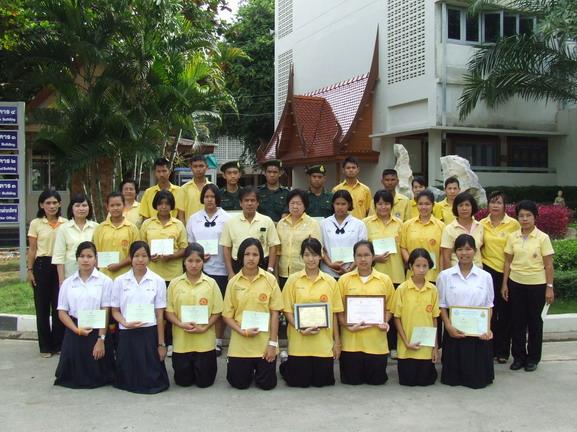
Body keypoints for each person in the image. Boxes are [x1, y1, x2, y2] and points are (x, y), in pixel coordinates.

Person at [280, 238, 343, 387]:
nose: (311, 259)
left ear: (321, 256)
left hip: (323, 344)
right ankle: (285, 363)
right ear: (302, 256)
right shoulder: (293, 280)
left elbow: (334, 313)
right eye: (307, 255)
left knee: (322, 382)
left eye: (314, 255)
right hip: (299, 342)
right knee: (299, 382)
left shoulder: (330, 281)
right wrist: (299, 327)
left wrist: (337, 342)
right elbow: (287, 310)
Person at [222, 238, 283, 390]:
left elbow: (275, 314)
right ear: (240, 256)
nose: (251, 258)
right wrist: (242, 331)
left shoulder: (270, 280)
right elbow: (227, 315)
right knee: (238, 383)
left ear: (260, 257)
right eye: (247, 254)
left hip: (264, 344)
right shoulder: (233, 282)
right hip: (240, 342)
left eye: (255, 254)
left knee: (267, 384)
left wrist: (272, 344)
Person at [502, 200, 555, 372]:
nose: (524, 219)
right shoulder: (513, 237)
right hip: (516, 284)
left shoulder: (542, 238)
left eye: (528, 215)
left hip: (537, 285)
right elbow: (507, 262)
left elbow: (549, 265)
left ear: (535, 217)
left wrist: (549, 287)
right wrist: (505, 284)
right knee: (517, 322)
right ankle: (518, 357)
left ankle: (533, 358)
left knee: (534, 323)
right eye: (521, 216)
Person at [111, 241, 169, 394]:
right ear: (130, 258)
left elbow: (160, 315)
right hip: (127, 331)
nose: (140, 259)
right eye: (136, 256)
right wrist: (125, 323)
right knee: (126, 377)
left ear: (149, 258)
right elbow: (115, 311)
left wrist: (161, 344)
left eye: (144, 255)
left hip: (149, 332)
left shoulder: (158, 281)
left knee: (152, 379)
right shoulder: (119, 281)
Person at [54, 241, 115, 388]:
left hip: (98, 329)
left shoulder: (105, 281)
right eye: (82, 256)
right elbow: (62, 312)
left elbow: (105, 311)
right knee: (70, 374)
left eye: (89, 256)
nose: (85, 260)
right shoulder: (68, 283)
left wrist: (101, 339)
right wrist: (76, 330)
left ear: (96, 259)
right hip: (75, 328)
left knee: (99, 373)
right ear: (77, 259)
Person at [437, 234, 494, 389]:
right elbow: (442, 305)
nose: (464, 253)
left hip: (477, 332)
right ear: (455, 252)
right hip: (454, 330)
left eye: (468, 249)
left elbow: (489, 305)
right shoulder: (445, 276)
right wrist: (448, 326)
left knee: (477, 379)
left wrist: (487, 328)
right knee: (453, 379)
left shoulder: (485, 276)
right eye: (460, 249)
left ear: (475, 251)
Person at [165, 243, 223, 387]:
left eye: (198, 261)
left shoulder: (211, 283)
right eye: (190, 261)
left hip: (204, 343)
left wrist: (205, 328)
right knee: (183, 382)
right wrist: (180, 324)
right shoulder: (174, 284)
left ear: (203, 262)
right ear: (184, 262)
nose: (194, 265)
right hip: (182, 343)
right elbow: (169, 311)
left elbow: (217, 311)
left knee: (205, 383)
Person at [337, 241, 395, 385]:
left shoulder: (385, 280)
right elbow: (338, 310)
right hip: (351, 344)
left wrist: (385, 321)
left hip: (376, 344)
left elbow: (390, 308)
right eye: (359, 255)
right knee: (352, 381)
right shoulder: (344, 280)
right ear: (354, 258)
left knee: (376, 381)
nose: (363, 259)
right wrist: (347, 325)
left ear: (373, 256)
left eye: (367, 255)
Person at [186, 184, 230, 356]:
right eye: (206, 196)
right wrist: (197, 256)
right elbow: (190, 243)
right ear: (202, 198)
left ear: (217, 198)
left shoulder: (226, 218)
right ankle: (198, 334)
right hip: (198, 268)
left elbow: (228, 243)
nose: (209, 200)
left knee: (217, 307)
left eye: (212, 196)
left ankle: (218, 340)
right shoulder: (194, 218)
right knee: (200, 303)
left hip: (220, 268)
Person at [480, 191, 520, 364]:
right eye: (492, 202)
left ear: (505, 206)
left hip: (507, 273)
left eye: (499, 202)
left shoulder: (513, 224)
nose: (495, 205)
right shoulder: (482, 224)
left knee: (505, 313)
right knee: (490, 311)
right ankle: (489, 348)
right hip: (488, 272)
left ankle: (503, 351)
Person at [27, 190, 67, 357]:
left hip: (60, 266)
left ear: (60, 204)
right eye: (48, 203)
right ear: (41, 205)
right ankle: (45, 346)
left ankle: (58, 344)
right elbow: (32, 249)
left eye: (55, 202)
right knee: (42, 308)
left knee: (59, 306)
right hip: (41, 266)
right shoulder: (36, 223)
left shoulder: (66, 223)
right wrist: (30, 270)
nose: (52, 206)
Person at [393, 248, 439, 386]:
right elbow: (397, 318)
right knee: (408, 381)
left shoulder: (433, 290)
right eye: (417, 265)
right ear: (410, 266)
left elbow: (434, 319)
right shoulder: (402, 289)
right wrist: (406, 342)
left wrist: (435, 347)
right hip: (407, 347)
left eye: (425, 266)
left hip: (425, 347)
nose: (421, 269)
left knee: (426, 381)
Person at [220, 186, 280, 276]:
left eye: (252, 200)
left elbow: (273, 246)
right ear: (240, 203)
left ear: (258, 203)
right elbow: (226, 248)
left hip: (262, 265)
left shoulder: (267, 221)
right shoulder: (230, 222)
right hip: (238, 265)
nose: (249, 203)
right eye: (246, 200)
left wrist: (270, 269)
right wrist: (230, 272)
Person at [276, 189, 322, 289]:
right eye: (292, 203)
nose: (295, 206)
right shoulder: (281, 223)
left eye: (299, 203)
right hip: (283, 273)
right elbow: (277, 251)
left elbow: (317, 251)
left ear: (305, 206)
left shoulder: (313, 224)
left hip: (304, 272)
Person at [140, 190, 188, 284]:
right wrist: (148, 256)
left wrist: (172, 256)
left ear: (171, 205)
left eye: (167, 203)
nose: (164, 206)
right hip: (151, 274)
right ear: (156, 205)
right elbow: (141, 247)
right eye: (160, 203)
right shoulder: (147, 224)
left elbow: (184, 249)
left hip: (174, 275)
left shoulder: (178, 224)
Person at [52, 193, 99, 285]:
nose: (81, 208)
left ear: (89, 208)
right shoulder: (63, 228)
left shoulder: (96, 227)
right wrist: (62, 282)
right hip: (70, 276)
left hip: (93, 276)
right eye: (77, 206)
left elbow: (99, 253)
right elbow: (59, 257)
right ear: (71, 208)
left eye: (84, 205)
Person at [320, 190, 368, 279]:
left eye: (343, 204)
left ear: (349, 204)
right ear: (333, 204)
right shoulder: (324, 223)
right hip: (328, 273)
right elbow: (320, 248)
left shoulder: (359, 224)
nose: (340, 207)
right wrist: (330, 264)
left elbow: (362, 250)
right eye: (337, 204)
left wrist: (349, 269)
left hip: (352, 273)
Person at [93, 192, 140, 280]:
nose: (115, 208)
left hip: (126, 276)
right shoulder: (100, 228)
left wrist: (119, 265)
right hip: (103, 276)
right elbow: (95, 253)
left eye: (118, 205)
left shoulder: (132, 228)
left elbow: (136, 254)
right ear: (107, 207)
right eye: (112, 205)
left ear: (124, 205)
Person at [400, 190, 445, 283]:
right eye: (420, 204)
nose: (423, 207)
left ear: (433, 205)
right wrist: (412, 263)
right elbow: (403, 247)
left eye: (427, 204)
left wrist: (441, 274)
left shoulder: (441, 226)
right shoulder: (407, 225)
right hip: (412, 275)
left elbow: (442, 253)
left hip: (433, 275)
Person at [363, 190, 405, 286]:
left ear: (392, 205)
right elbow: (361, 250)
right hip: (373, 275)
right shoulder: (365, 223)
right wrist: (374, 258)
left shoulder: (400, 224)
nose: (383, 207)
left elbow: (404, 248)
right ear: (374, 205)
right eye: (380, 204)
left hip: (396, 275)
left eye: (387, 204)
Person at [440, 191, 483, 270]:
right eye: (460, 205)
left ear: (472, 207)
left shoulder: (480, 226)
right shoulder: (449, 229)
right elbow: (446, 257)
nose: (464, 208)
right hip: (456, 272)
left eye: (467, 205)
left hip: (477, 272)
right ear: (456, 208)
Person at [177, 154, 211, 223]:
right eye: (195, 166)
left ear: (206, 167)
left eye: (201, 166)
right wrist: (184, 229)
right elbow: (181, 215)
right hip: (190, 228)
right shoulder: (184, 189)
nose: (198, 169)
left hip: (209, 227)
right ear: (191, 168)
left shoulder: (212, 187)